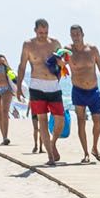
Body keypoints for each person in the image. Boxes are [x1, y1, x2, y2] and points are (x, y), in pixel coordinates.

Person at [17, 20, 65, 164]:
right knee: (42, 121)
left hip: (53, 86)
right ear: (35, 30)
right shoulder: (28, 45)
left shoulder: (55, 43)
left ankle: (53, 142)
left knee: (60, 119)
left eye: (45, 32)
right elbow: (22, 66)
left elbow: (63, 63)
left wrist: (62, 64)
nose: (43, 35)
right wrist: (18, 87)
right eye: (40, 33)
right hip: (36, 85)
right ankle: (50, 156)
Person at [65, 24, 100, 162]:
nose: (75, 37)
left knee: (97, 122)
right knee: (81, 122)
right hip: (78, 91)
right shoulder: (67, 50)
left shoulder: (92, 50)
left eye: (77, 34)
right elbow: (59, 65)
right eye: (73, 34)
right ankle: (86, 153)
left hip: (94, 91)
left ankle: (95, 147)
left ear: (82, 34)